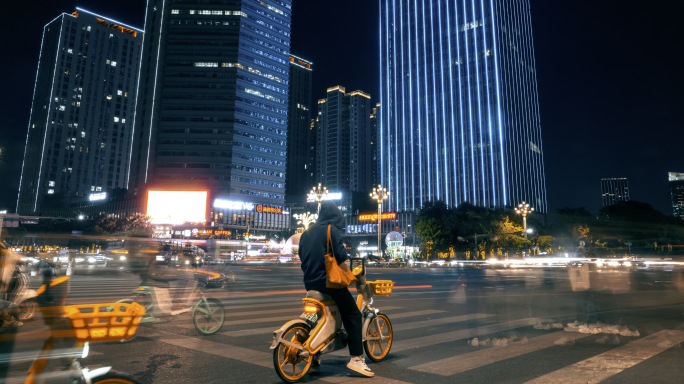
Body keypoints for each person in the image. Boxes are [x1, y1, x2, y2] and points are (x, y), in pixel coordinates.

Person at [298, 201, 374, 378]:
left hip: (310, 283)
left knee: (317, 316)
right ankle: (356, 359)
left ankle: (315, 353)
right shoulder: (330, 230)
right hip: (329, 282)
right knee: (353, 314)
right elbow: (340, 255)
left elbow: (302, 256)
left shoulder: (306, 232)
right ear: (335, 216)